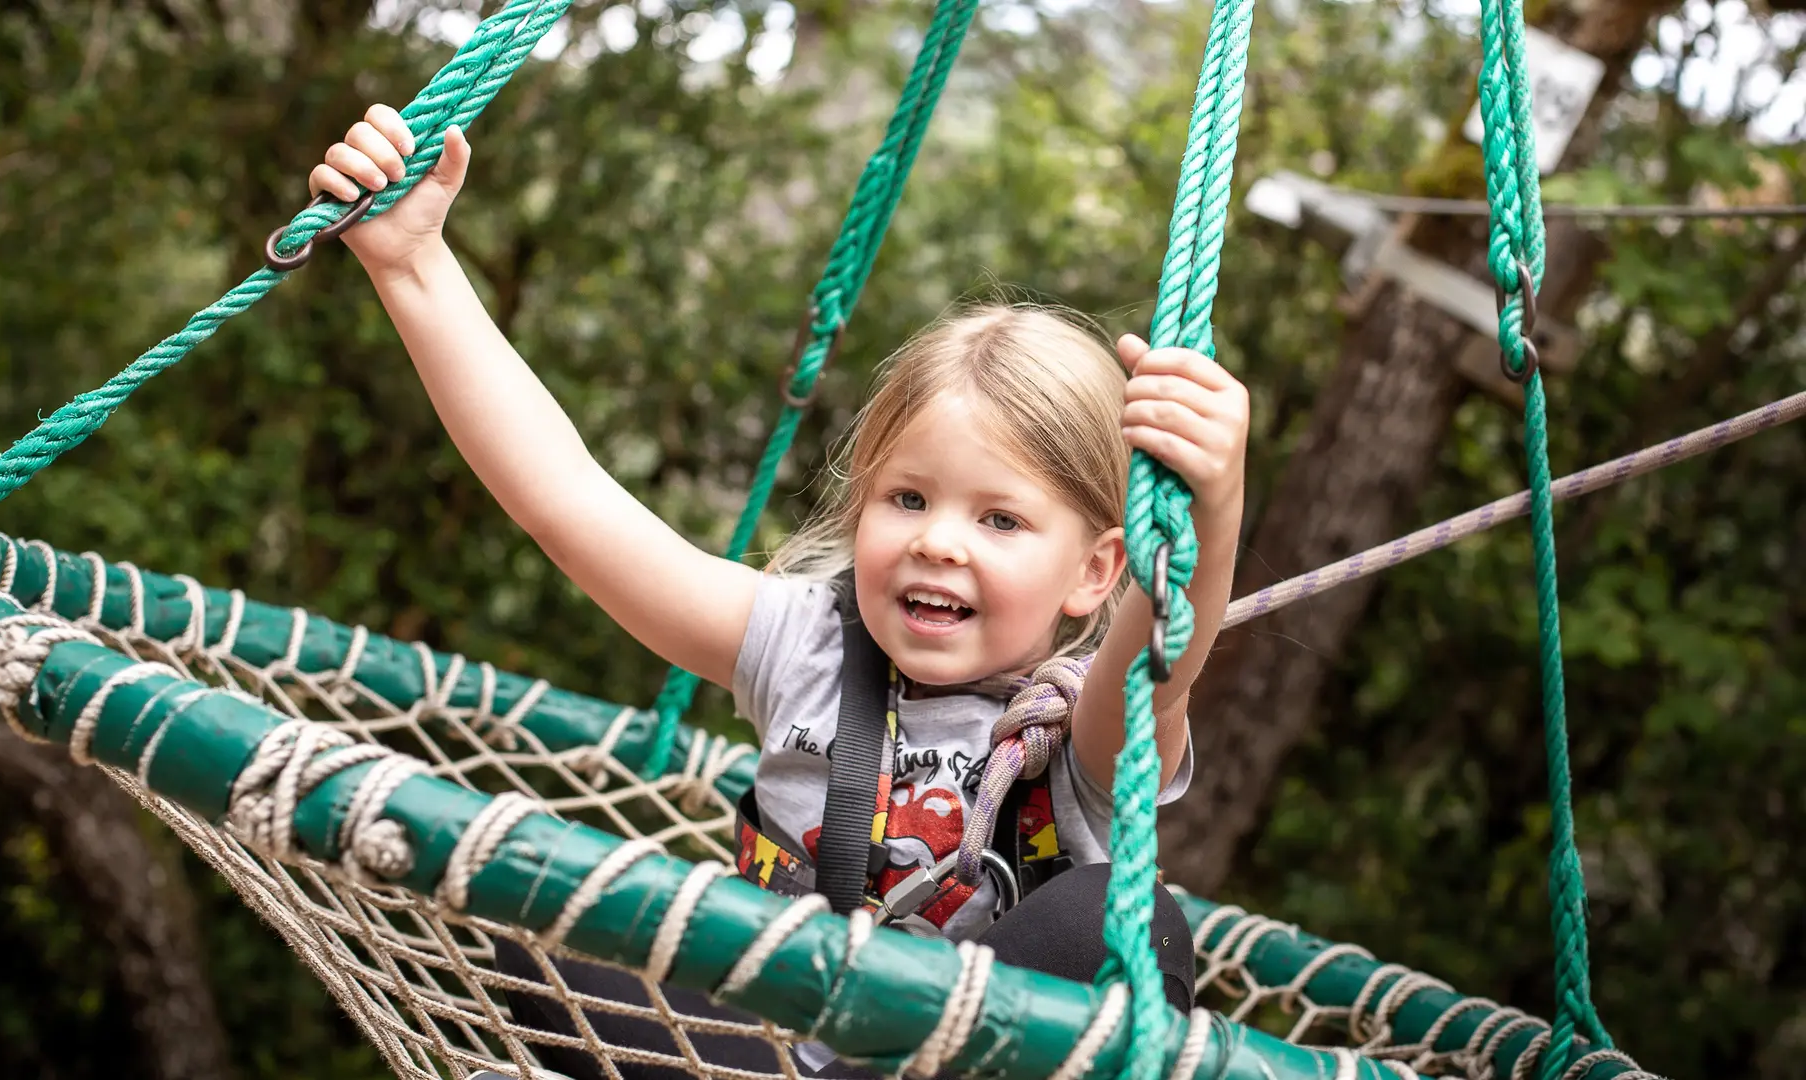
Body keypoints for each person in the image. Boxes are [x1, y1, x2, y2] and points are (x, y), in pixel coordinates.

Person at [307, 106, 1249, 1078]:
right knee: (546, 893)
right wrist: (413, 267)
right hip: (748, 1060)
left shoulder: (1084, 737)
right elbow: (568, 501)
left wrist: (1212, 507)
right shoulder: (805, 645)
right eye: (907, 498)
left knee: (1115, 920)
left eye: (1000, 520)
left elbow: (1163, 652)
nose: (937, 541)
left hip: (959, 1062)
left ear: (1095, 569)